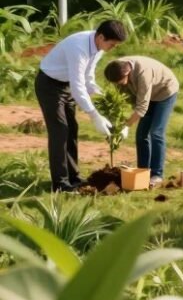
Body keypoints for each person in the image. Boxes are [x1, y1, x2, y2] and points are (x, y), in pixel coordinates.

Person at [35, 20, 128, 192]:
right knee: (60, 131)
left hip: (66, 85)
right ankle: (60, 184)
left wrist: (102, 98)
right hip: (49, 85)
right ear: (101, 37)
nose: (113, 48)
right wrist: (94, 115)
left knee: (72, 129)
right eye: (112, 44)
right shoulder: (78, 47)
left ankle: (74, 178)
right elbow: (78, 85)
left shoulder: (98, 48)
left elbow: (88, 77)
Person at [103, 56, 179, 188]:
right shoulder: (115, 68)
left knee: (156, 132)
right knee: (141, 135)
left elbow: (142, 107)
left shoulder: (144, 73)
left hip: (164, 92)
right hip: (147, 95)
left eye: (120, 82)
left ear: (127, 72)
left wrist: (126, 126)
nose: (118, 85)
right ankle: (143, 171)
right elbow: (128, 97)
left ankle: (157, 175)